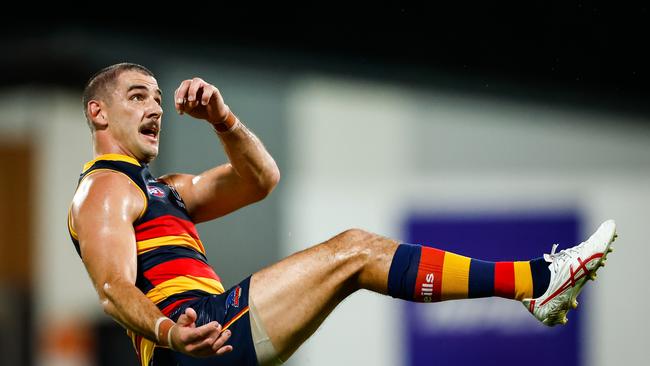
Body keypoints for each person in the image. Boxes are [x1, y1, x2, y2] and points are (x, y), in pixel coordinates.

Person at [67, 62, 617, 366]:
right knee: (355, 251)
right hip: (193, 343)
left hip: (207, 340)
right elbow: (113, 288)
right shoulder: (103, 189)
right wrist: (168, 333)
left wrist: (225, 120)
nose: (156, 108)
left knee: (357, 254)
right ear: (98, 111)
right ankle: (536, 282)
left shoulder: (164, 189)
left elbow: (260, 181)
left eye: (158, 98)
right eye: (138, 97)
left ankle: (535, 286)